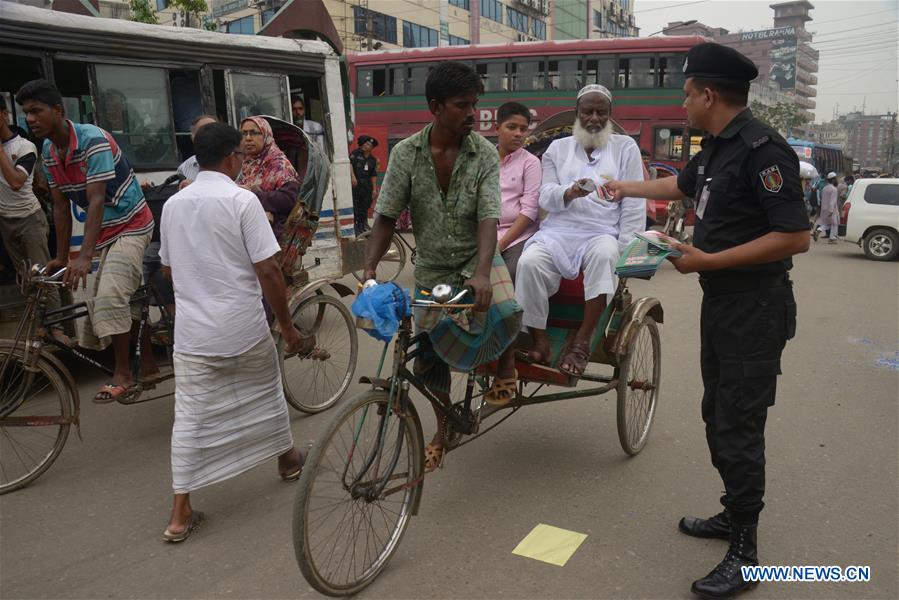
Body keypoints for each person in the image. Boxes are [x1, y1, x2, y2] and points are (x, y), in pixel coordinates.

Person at [607, 42, 810, 598]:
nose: (683, 101)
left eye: (687, 92)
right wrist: (623, 187)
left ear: (709, 94)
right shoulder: (717, 147)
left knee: (738, 425)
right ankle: (732, 514)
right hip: (723, 304)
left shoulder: (764, 149)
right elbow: (679, 185)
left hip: (756, 307)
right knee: (716, 413)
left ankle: (746, 550)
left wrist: (706, 260)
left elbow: (796, 235)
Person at [363, 61, 522, 470]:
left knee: (504, 312)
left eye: (475, 104)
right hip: (434, 271)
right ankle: (444, 426)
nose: (473, 113)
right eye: (461, 105)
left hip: (477, 259)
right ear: (435, 106)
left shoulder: (483, 152)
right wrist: (368, 271)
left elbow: (489, 216)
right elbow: (385, 216)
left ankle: (506, 363)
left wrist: (483, 272)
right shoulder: (406, 154)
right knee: (430, 356)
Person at [158, 122, 306, 543]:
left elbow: (168, 270)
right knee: (266, 390)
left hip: (193, 335)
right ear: (231, 159)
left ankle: (179, 513)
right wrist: (288, 328)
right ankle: (287, 461)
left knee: (189, 417)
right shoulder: (242, 201)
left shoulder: (174, 204)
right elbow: (269, 271)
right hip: (242, 325)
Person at [17, 79, 159, 402]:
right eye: (26, 113)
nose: (30, 119)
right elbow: (59, 206)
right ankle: (147, 362)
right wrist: (62, 255)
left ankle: (122, 372)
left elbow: (95, 201)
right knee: (98, 296)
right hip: (104, 232)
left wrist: (84, 256)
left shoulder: (92, 140)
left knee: (109, 293)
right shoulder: (50, 151)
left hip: (132, 224)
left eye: (37, 111)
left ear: (57, 110)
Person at [516, 84, 645, 376]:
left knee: (605, 255)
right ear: (577, 114)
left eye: (602, 112)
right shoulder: (557, 149)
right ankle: (539, 341)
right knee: (529, 262)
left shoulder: (626, 147)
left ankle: (582, 341)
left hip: (601, 232)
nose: (595, 118)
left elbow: (634, 202)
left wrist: (626, 251)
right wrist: (570, 193)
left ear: (610, 115)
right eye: (588, 111)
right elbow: (545, 195)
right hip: (558, 231)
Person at [0, 94, 67, 343]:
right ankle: (40, 327)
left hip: (29, 218)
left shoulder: (24, 147)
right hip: (5, 220)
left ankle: (57, 328)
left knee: (43, 275)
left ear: (4, 116)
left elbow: (17, 182)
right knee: (27, 280)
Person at [495, 101, 541, 282]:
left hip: (518, 237)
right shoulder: (485, 160)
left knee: (510, 273)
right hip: (486, 233)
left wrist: (501, 244)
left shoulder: (530, 163)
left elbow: (530, 210)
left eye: (523, 129)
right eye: (512, 127)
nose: (518, 134)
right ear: (497, 128)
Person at [237, 116, 300, 240]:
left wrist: (253, 194)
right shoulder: (242, 163)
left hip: (274, 237)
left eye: (254, 133)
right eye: (244, 133)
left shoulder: (279, 164)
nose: (248, 138)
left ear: (266, 135)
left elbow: (289, 199)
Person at [176, 114, 217, 187]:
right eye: (203, 131)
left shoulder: (233, 162)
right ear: (193, 137)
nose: (210, 135)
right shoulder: (184, 168)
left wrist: (195, 186)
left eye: (214, 131)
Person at [350, 135, 379, 235]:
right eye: (366, 144)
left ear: (372, 148)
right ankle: (356, 226)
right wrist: (353, 177)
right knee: (355, 205)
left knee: (365, 205)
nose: (367, 146)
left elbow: (373, 175)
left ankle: (363, 225)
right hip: (356, 184)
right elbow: (350, 165)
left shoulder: (372, 160)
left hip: (366, 185)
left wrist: (374, 189)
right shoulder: (355, 154)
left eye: (370, 145)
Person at [813, 172, 840, 244]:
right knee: (834, 224)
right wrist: (831, 211)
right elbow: (832, 201)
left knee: (826, 224)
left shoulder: (825, 188)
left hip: (824, 209)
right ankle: (832, 239)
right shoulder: (834, 189)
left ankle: (818, 230)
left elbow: (823, 199)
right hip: (831, 209)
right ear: (833, 179)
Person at [641, 149, 660, 229]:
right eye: (644, 159)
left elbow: (652, 184)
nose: (646, 161)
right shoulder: (635, 169)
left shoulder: (652, 170)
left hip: (648, 196)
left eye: (647, 159)